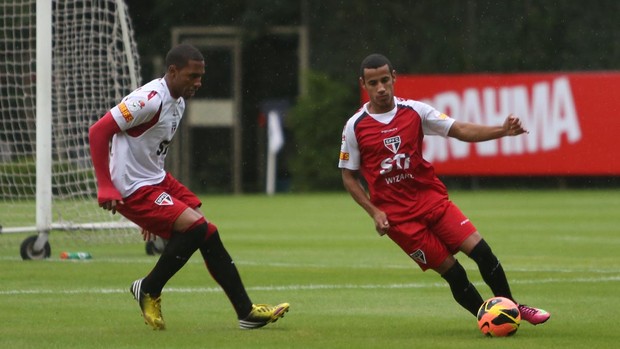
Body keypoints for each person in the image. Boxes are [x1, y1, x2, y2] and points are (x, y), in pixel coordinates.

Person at [338, 53, 550, 325]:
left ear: (393, 78)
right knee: (455, 274)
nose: (380, 88)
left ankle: (514, 310)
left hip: (433, 202)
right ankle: (490, 320)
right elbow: (349, 177)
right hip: (401, 221)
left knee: (483, 253)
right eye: (372, 83)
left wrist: (502, 131)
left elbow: (460, 129)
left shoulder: (415, 111)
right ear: (363, 84)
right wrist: (374, 212)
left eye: (384, 80)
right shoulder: (355, 126)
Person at [88, 44, 289, 330]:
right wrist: (105, 186)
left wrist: (157, 212)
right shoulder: (148, 99)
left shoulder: (178, 102)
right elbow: (98, 132)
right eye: (192, 76)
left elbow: (149, 149)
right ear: (172, 71)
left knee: (207, 232)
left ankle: (246, 313)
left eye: (200, 76)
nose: (198, 83)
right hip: (131, 187)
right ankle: (149, 288)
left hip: (155, 180)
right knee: (195, 228)